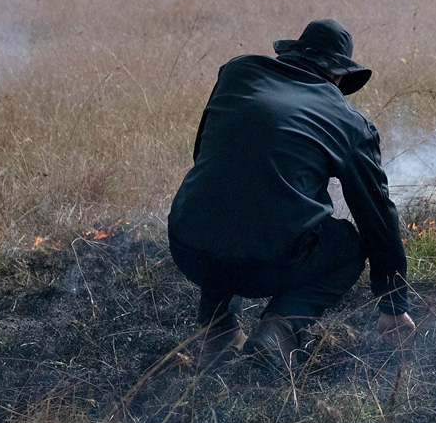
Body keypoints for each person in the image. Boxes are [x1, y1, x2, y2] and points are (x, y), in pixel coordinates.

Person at [168, 19, 415, 372]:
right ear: (340, 76)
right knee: (347, 246)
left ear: (294, 54)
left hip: (186, 244)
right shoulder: (348, 122)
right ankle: (278, 333)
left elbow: (206, 158)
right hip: (266, 262)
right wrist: (393, 304)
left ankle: (216, 333)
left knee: (222, 205)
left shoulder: (236, 73)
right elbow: (376, 216)